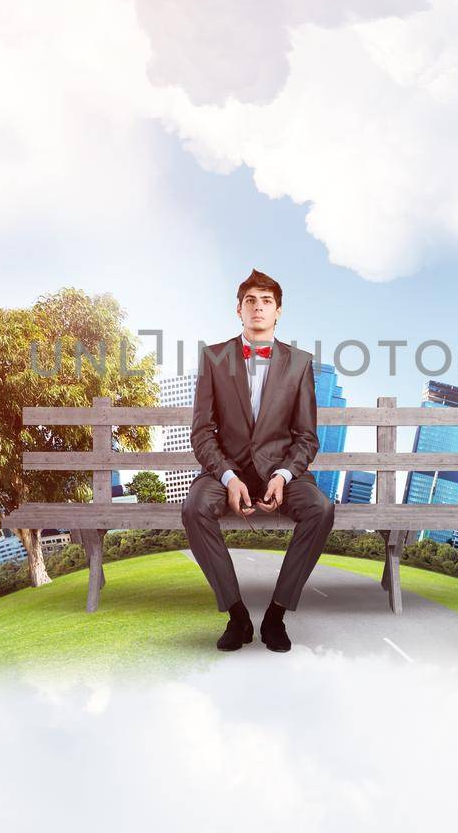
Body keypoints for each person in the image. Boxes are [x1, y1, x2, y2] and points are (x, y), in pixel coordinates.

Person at [181, 268, 335, 652]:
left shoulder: (299, 364)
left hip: (280, 470)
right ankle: (236, 615)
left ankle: (276, 615)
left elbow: (306, 437)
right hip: (225, 470)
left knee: (321, 508)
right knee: (194, 507)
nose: (258, 308)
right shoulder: (214, 358)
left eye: (266, 301)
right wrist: (229, 476)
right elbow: (202, 432)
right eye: (251, 301)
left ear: (278, 311)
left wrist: (283, 475)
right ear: (239, 309)